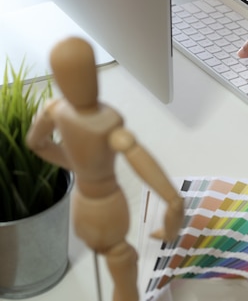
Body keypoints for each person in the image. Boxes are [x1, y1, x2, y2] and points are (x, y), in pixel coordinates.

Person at [26, 37, 184, 301]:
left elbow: (35, 143)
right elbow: (140, 160)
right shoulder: (108, 124)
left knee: (119, 260)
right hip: (109, 208)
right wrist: (172, 200)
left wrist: (72, 163)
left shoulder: (54, 110)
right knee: (122, 262)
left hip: (82, 208)